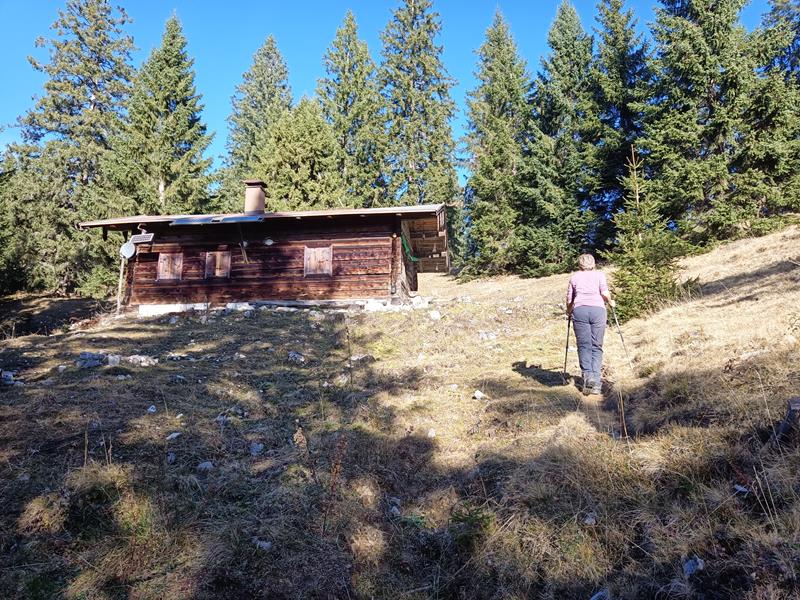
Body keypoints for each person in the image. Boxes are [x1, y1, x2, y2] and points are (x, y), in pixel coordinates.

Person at [565, 253, 615, 395]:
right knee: (596, 346)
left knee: (584, 345)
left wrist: (569, 311)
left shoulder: (574, 278)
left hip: (580, 310)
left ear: (580, 264)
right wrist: (611, 302)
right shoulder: (600, 275)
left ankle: (588, 377)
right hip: (598, 311)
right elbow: (605, 293)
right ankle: (596, 383)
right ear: (593, 264)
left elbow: (569, 300)